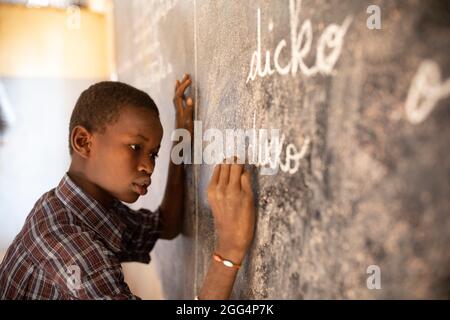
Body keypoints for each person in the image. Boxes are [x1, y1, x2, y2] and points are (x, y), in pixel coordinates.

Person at [0, 74, 255, 299]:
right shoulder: (68, 244)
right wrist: (230, 248)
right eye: (136, 147)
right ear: (84, 142)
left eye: (154, 154)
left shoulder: (81, 206)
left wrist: (182, 140)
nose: (149, 166)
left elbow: (165, 225)